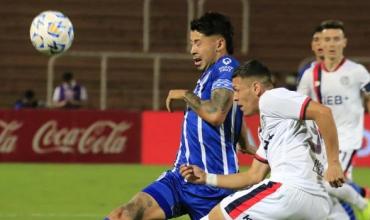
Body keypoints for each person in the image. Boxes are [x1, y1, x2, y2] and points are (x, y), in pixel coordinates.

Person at [105, 12, 255, 220]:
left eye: (198, 43)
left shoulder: (227, 66)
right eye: (192, 43)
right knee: (124, 215)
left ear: (219, 43)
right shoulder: (209, 75)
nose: (192, 50)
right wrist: (246, 141)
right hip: (181, 177)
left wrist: (185, 95)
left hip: (214, 187)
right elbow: (232, 112)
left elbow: (216, 113)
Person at [180, 59, 346, 219]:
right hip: (317, 205)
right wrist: (206, 177)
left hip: (288, 192)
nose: (235, 98)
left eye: (237, 90)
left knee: (218, 215)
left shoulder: (271, 98)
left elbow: (323, 113)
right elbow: (253, 176)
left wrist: (333, 163)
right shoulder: (277, 126)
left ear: (256, 88)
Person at [297, 20, 370, 219]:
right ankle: (357, 195)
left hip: (348, 138)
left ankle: (364, 204)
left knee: (330, 182)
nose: (331, 44)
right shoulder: (310, 74)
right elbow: (298, 105)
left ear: (344, 42)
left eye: (336, 39)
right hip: (322, 140)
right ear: (321, 42)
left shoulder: (357, 71)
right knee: (330, 189)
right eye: (327, 39)